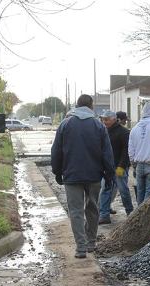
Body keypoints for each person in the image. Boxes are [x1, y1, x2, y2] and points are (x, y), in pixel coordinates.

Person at [51, 94, 114, 258]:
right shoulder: (99, 126)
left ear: (77, 106)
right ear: (91, 106)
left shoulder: (65, 124)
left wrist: (57, 171)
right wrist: (109, 175)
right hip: (94, 175)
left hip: (72, 176)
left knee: (76, 211)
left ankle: (80, 247)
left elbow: (56, 151)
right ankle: (91, 243)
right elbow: (107, 153)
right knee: (92, 209)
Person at [98, 110, 134, 224]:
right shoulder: (103, 131)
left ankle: (130, 213)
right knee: (105, 189)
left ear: (114, 119)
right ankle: (104, 215)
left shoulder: (123, 132)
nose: (104, 122)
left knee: (123, 190)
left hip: (119, 167)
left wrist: (121, 166)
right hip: (108, 167)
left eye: (106, 119)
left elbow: (126, 151)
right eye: (103, 119)